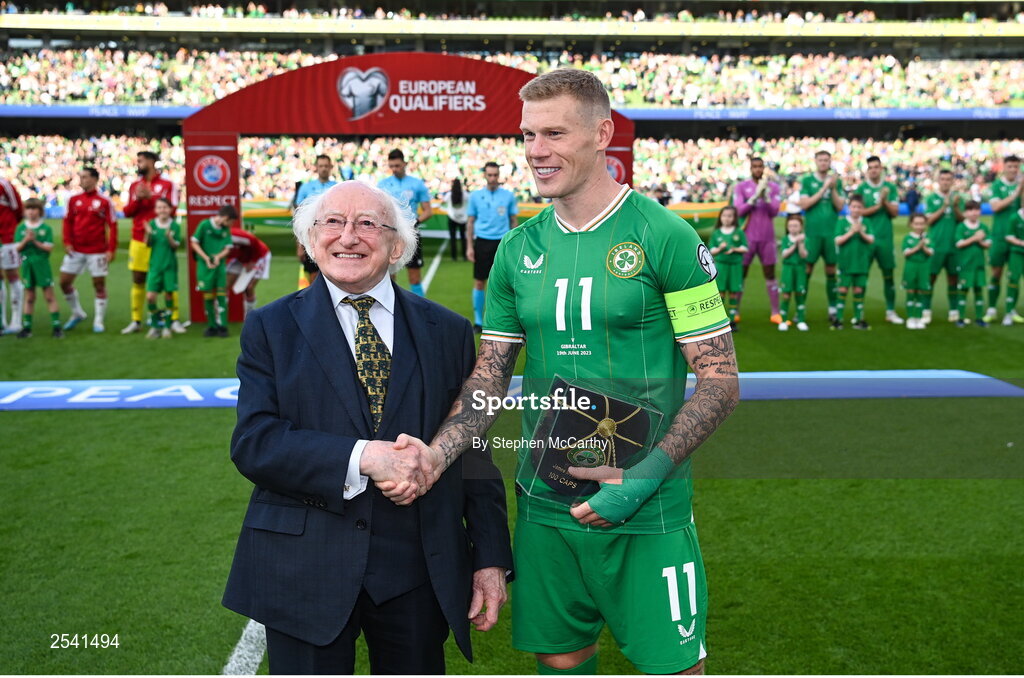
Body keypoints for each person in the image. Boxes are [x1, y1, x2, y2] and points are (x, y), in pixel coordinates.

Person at [380, 69, 739, 676]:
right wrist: (438, 456)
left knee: (674, 668)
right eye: (527, 136)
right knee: (561, 660)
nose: (536, 152)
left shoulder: (667, 236)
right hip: (546, 504)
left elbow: (721, 380)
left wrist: (643, 479)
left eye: (553, 134)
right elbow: (489, 379)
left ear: (602, 134)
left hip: (646, 507)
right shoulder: (518, 251)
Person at [222, 180, 513, 675]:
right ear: (312, 241)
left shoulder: (450, 331)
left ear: (397, 244)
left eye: (366, 224)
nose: (347, 237)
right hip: (303, 564)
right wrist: (364, 457)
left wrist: (489, 557)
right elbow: (255, 443)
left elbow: (473, 451)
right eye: (332, 222)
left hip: (418, 564)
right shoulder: (269, 327)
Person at [121, 150, 182, 335]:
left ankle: (174, 320)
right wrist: (139, 199)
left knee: (168, 282)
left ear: (152, 161)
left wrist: (151, 198)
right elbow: (127, 212)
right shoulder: (134, 186)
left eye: (141, 160)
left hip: (162, 241)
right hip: (139, 238)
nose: (138, 163)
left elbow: (172, 210)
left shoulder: (168, 185)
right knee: (138, 279)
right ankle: (137, 320)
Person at [60, 167, 117, 333]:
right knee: (64, 282)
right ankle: (77, 313)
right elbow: (67, 222)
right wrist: (67, 242)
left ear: (94, 179)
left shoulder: (105, 201)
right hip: (75, 250)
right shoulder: (73, 199)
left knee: (99, 285)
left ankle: (98, 320)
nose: (81, 180)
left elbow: (113, 225)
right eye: (81, 177)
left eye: (85, 177)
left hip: (97, 250)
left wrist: (111, 249)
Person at [466, 162, 519, 332]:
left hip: (502, 243)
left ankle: (507, 321)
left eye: (495, 175)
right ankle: (479, 321)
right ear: (485, 175)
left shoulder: (508, 196)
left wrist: (515, 246)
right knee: (480, 282)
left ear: (499, 176)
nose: (493, 178)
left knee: (507, 283)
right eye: (489, 175)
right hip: (482, 242)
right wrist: (469, 246)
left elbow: (513, 221)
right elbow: (470, 222)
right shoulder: (475, 196)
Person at [733, 156, 782, 323]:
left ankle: (775, 312)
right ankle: (735, 310)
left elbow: (775, 211)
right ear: (750, 168)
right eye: (755, 166)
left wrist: (766, 196)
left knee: (770, 273)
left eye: (760, 166)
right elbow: (738, 211)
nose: (758, 169)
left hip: (767, 237)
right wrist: (754, 196)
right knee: (741, 273)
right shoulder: (741, 187)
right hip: (747, 237)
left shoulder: (773, 187)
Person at [378, 149, 432, 297]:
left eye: (397, 165)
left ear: (405, 164)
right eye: (392, 166)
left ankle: (421, 315)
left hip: (411, 235)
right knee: (388, 276)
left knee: (414, 276)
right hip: (389, 235)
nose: (395, 169)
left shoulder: (417, 184)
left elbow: (428, 211)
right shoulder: (382, 185)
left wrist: (415, 222)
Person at [799, 150, 845, 321]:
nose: (824, 163)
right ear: (816, 161)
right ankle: (800, 308)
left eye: (827, 160)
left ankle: (832, 309)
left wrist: (832, 188)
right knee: (807, 269)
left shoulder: (836, 182)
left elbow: (840, 206)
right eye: (821, 160)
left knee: (831, 270)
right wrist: (824, 187)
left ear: (830, 162)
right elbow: (805, 204)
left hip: (832, 233)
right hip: (812, 233)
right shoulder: (807, 181)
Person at [857, 155, 903, 324]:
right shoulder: (861, 189)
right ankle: (858, 311)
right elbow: (858, 213)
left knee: (888, 274)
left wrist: (884, 201)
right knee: (862, 274)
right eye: (871, 167)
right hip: (865, 237)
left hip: (885, 237)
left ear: (881, 168)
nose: (874, 170)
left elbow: (895, 213)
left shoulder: (890, 187)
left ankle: (890, 311)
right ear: (867, 170)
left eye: (876, 167)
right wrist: (878, 205)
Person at [13, 198, 63, 338]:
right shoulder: (21, 228)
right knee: (29, 296)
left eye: (34, 209)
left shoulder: (45, 228)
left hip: (42, 264)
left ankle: (56, 326)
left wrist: (34, 241)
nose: (31, 212)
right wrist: (26, 240)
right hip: (27, 264)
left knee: (49, 295)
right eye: (28, 209)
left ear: (40, 211)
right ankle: (27, 328)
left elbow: (48, 248)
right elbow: (17, 247)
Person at [983, 155, 1022, 322]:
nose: (1013, 170)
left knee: (1015, 275)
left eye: (1016, 167)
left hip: (1017, 238)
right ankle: (991, 308)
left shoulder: (1021, 187)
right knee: (996, 273)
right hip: (999, 236)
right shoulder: (996, 186)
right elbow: (996, 207)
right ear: (1004, 167)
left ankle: (1011, 309)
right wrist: (1015, 194)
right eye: (1010, 166)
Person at [923, 169, 964, 324]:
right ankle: (926, 310)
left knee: (953, 278)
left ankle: (954, 311)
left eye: (948, 179)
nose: (946, 182)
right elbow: (929, 221)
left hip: (954, 246)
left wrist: (955, 207)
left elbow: (962, 220)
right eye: (943, 179)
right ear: (938, 181)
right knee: (931, 278)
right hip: (935, 245)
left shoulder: (958, 198)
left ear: (952, 181)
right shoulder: (931, 198)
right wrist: (943, 207)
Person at [190, 205, 235, 338]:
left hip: (219, 267)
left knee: (221, 296)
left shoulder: (226, 230)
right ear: (226, 218)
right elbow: (194, 242)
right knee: (208, 297)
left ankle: (223, 326)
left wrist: (217, 257)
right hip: (205, 267)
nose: (231, 225)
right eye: (231, 222)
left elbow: (228, 248)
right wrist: (206, 258)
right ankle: (211, 326)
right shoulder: (204, 225)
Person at [833, 194, 875, 330]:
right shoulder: (842, 222)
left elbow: (871, 240)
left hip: (861, 262)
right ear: (849, 207)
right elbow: (837, 240)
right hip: (846, 262)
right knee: (843, 289)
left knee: (858, 289)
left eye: (859, 207)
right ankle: (838, 319)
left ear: (863, 209)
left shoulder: (866, 222)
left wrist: (861, 232)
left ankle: (858, 319)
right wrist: (851, 232)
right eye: (853, 207)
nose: (856, 210)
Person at [143, 197, 181, 339]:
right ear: (155, 210)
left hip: (169, 266)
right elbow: (147, 244)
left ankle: (167, 326)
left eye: (165, 207)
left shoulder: (175, 226)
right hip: (155, 266)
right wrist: (147, 232)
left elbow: (176, 246)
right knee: (150, 296)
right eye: (159, 207)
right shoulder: (152, 224)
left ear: (170, 209)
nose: (162, 210)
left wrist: (169, 238)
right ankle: (155, 326)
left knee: (168, 295)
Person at [708, 204, 748, 329]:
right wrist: (720, 248)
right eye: (724, 216)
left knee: (733, 293)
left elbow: (745, 248)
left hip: (735, 266)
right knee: (720, 293)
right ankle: (719, 319)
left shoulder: (739, 232)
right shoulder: (716, 233)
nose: (727, 218)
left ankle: (732, 320)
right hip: (721, 265)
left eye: (730, 216)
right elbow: (711, 251)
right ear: (720, 217)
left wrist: (734, 249)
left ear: (734, 218)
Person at [953, 200, 990, 328]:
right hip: (965, 265)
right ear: (965, 212)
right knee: (963, 291)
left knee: (979, 290)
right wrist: (975, 238)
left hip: (979, 265)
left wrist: (980, 241)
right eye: (970, 210)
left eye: (976, 210)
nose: (974, 213)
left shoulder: (983, 227)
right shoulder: (961, 227)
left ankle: (979, 318)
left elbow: (987, 244)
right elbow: (959, 243)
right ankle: (961, 318)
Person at [226, 225, 271, 317]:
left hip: (260, 256)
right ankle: (220, 312)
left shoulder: (234, 234)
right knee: (224, 285)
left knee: (249, 287)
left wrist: (253, 261)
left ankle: (250, 314)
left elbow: (254, 242)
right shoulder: (213, 239)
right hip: (241, 258)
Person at [0, 174, 24, 334]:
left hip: (7, 238)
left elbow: (18, 210)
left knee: (12, 275)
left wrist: (10, 230)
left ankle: (16, 320)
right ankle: (1, 321)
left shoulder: (3, 184)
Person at [778, 214, 810, 331]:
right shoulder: (786, 239)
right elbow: (784, 254)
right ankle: (783, 320)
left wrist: (800, 244)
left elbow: (804, 255)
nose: (793, 228)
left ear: (801, 227)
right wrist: (795, 244)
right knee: (786, 294)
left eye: (796, 226)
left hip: (800, 269)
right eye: (791, 225)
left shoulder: (805, 240)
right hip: (788, 269)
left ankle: (801, 320)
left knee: (799, 294)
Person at [901, 213, 933, 330]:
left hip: (924, 267)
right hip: (911, 267)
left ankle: (918, 318)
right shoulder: (908, 238)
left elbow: (931, 252)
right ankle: (910, 318)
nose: (919, 226)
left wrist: (924, 247)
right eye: (916, 224)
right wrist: (918, 247)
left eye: (921, 223)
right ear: (911, 224)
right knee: (910, 291)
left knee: (920, 292)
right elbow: (905, 253)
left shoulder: (928, 238)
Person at [1003, 207, 1024, 325]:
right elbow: (1009, 236)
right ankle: (1008, 312)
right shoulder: (1015, 217)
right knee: (1013, 281)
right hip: (1017, 253)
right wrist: (1021, 243)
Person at [446, 178, 468, 261]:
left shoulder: (449, 194)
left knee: (453, 238)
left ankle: (454, 256)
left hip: (452, 217)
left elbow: (442, 202)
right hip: (463, 218)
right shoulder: (465, 194)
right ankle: (464, 256)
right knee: (463, 237)